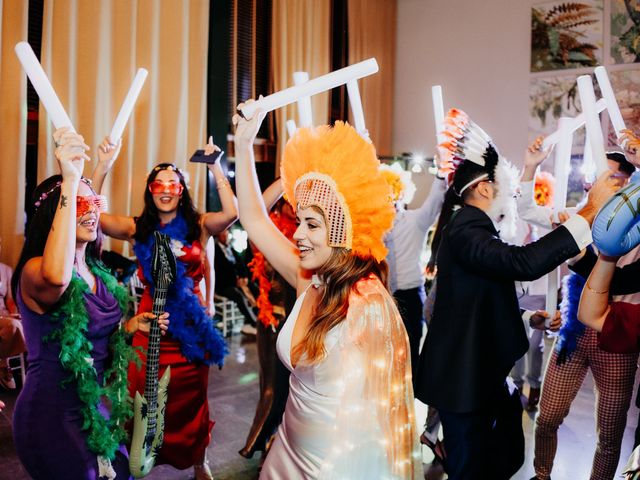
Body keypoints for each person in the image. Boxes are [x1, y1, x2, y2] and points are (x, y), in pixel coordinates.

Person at [414, 108, 617, 480]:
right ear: (485, 189)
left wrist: (527, 317)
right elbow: (522, 263)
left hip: (481, 373)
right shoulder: (466, 230)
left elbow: (484, 292)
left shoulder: (473, 228)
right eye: (503, 183)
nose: (507, 191)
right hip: (464, 379)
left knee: (505, 450)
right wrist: (589, 211)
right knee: (472, 466)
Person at [234, 104, 421, 479]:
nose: (297, 234)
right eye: (299, 221)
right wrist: (242, 142)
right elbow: (253, 218)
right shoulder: (309, 278)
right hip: (286, 451)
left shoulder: (368, 307)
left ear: (340, 231)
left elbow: (377, 421)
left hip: (333, 467)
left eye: (311, 224)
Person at [11, 128, 168, 480]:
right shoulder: (37, 270)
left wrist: (131, 326)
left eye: (95, 203)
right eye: (79, 205)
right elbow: (58, 277)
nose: (91, 212)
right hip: (50, 412)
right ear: (57, 212)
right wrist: (70, 179)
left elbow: (99, 344)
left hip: (92, 408)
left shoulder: (98, 271)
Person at [93, 136, 234, 479]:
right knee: (141, 395)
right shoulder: (137, 228)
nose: (166, 190)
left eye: (174, 184)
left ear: (182, 190)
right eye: (159, 184)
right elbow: (94, 216)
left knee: (192, 400)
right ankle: (139, 456)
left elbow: (232, 214)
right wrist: (102, 168)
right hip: (150, 325)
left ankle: (199, 460)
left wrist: (215, 166)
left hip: (191, 328)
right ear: (150, 190)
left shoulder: (199, 226)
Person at [531, 151, 638, 480]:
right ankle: (541, 474)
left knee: (609, 436)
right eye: (596, 176)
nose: (598, 183)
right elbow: (571, 282)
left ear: (628, 184)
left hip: (619, 337)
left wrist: (577, 257)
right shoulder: (585, 216)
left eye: (611, 178)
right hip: (574, 334)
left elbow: (620, 280)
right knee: (546, 418)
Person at [240, 197, 297, 462]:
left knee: (291, 391)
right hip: (272, 322)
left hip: (298, 323)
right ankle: (259, 440)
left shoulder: (305, 236)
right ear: (281, 206)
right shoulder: (269, 235)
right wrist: (285, 179)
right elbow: (254, 209)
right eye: (291, 202)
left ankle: (278, 442)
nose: (296, 208)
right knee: (272, 388)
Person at [382, 163, 446, 380]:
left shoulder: (415, 221)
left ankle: (408, 400)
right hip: (383, 297)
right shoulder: (374, 228)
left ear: (400, 194)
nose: (388, 199)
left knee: (410, 354)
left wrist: (440, 175)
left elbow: (434, 202)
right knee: (384, 355)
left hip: (410, 295)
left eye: (391, 193)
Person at [214, 228, 259, 335]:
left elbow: (241, 264)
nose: (225, 236)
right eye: (222, 234)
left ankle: (260, 316)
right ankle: (254, 322)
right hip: (225, 285)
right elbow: (219, 272)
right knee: (239, 296)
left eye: (226, 233)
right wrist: (235, 281)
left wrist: (244, 277)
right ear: (218, 236)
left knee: (254, 288)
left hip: (238, 282)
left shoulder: (231, 248)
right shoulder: (216, 251)